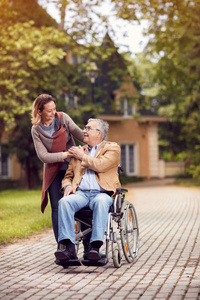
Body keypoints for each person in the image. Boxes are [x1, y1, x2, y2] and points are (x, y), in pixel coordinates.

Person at [54, 118, 121, 263]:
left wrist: (82, 156)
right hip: (81, 193)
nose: (83, 130)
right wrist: (67, 186)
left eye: (88, 128)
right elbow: (68, 176)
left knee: (102, 202)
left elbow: (101, 165)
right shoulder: (80, 151)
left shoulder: (112, 148)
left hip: (102, 193)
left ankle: (94, 248)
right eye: (84, 127)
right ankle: (68, 248)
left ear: (99, 133)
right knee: (64, 202)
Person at [31, 94, 83, 242]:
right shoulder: (36, 130)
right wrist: (66, 154)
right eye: (49, 110)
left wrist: (100, 144)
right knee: (56, 207)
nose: (53, 113)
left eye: (54, 109)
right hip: (53, 172)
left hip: (73, 169)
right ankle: (62, 245)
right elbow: (44, 156)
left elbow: (81, 135)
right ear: (39, 111)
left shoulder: (63, 118)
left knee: (81, 205)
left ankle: (87, 245)